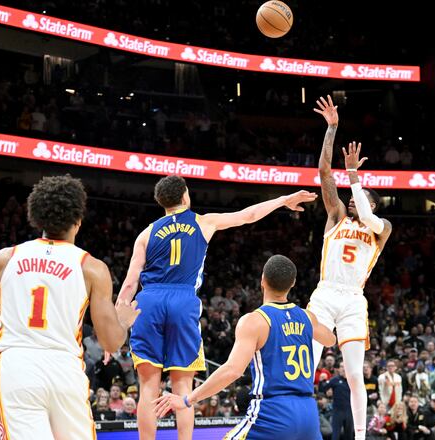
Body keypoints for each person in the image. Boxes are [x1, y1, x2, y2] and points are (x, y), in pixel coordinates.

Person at [117, 176, 316, 440]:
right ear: (185, 196)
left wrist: (117, 327)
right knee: (183, 386)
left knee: (148, 386)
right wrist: (282, 200)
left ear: (161, 202)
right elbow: (248, 215)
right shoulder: (203, 221)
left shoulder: (147, 233)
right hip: (183, 299)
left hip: (149, 300)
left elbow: (130, 285)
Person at [0, 175, 140, 439]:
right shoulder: (92, 267)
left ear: (36, 218)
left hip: (17, 368)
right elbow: (111, 343)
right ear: (78, 221)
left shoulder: (6, 258)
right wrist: (124, 321)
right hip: (65, 369)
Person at [153, 255, 336, 440]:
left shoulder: (254, 321)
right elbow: (330, 340)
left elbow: (232, 370)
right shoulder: (307, 317)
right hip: (308, 413)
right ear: (293, 283)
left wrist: (187, 399)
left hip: (274, 412)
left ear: (262, 280)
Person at [309, 96, 393, 440]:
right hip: (326, 294)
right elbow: (325, 173)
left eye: (365, 200)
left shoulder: (381, 227)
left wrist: (356, 177)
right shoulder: (337, 216)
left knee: (355, 374)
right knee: (307, 367)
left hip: (353, 301)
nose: (360, 204)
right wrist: (331, 130)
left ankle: (360, 436)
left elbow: (370, 215)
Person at [322, 364, 354, 440]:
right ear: (339, 369)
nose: (343, 369)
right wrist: (322, 380)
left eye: (345, 366)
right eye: (341, 367)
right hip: (337, 411)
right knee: (335, 435)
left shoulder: (352, 380)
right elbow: (322, 388)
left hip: (350, 411)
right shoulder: (335, 379)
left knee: (349, 435)